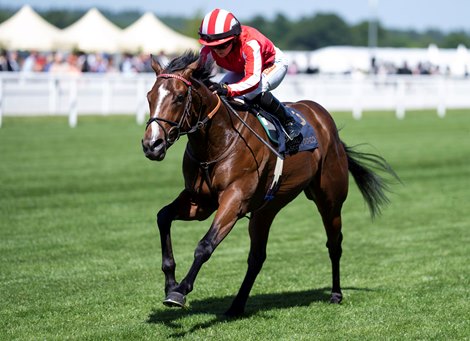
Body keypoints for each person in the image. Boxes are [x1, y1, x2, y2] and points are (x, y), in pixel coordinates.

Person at [198, 8, 301, 139]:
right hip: (243, 69)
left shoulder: (250, 43)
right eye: (213, 46)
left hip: (272, 64)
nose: (217, 50)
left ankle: (288, 121)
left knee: (253, 92)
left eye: (223, 45)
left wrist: (227, 89)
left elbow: (252, 80)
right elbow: (198, 77)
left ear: (234, 38)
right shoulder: (207, 51)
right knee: (218, 94)